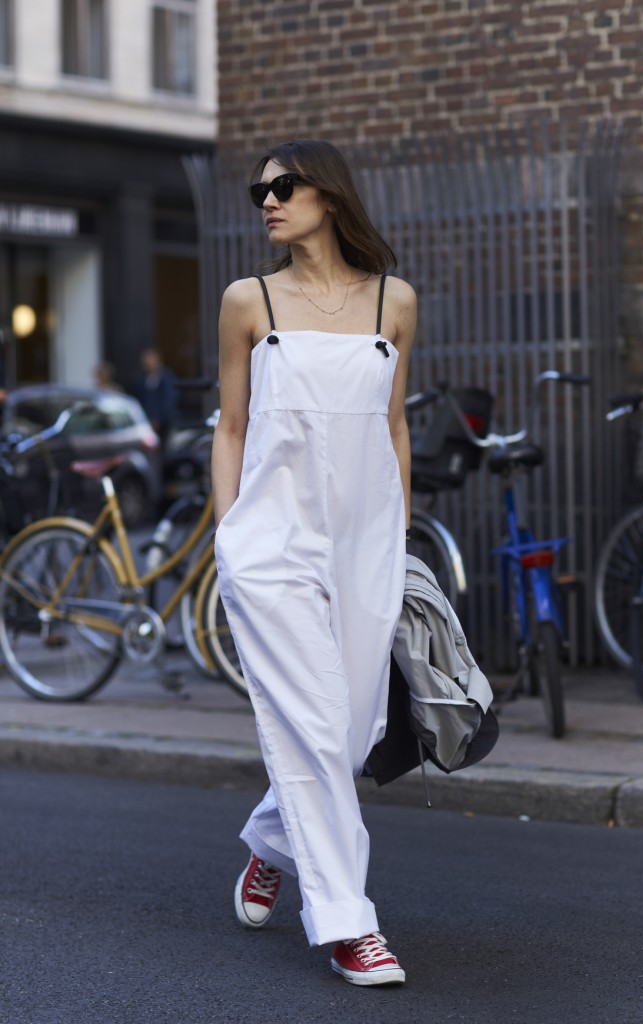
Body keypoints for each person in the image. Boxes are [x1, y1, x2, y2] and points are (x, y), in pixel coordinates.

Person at [211, 139, 416, 987]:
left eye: (283, 186)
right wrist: (230, 537)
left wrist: (400, 537)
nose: (267, 200)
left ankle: (271, 840)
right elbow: (229, 428)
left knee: (355, 729)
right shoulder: (246, 300)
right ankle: (347, 923)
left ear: (329, 195)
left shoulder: (392, 304)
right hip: (273, 545)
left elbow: (394, 426)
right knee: (317, 720)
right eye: (259, 190)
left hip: (367, 542)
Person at [135, 348, 177, 446]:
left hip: (165, 422)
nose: (147, 363)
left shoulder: (167, 377)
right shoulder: (142, 379)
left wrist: (158, 418)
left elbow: (170, 399)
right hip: (148, 421)